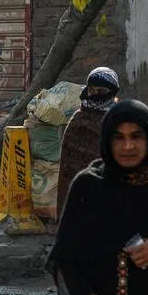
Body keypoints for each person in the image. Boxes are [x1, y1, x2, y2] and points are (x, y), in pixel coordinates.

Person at [48, 100, 148, 295]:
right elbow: (66, 259)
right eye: (118, 138)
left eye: (136, 136)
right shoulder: (89, 186)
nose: (128, 146)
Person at [57, 67, 121, 217]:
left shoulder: (118, 118)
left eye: (101, 91)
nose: (94, 95)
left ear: (112, 91)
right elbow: (67, 162)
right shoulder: (78, 119)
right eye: (91, 91)